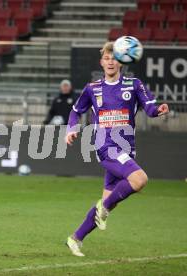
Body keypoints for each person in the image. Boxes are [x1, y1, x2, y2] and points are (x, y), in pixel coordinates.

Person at [64, 42, 169, 257]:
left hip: (126, 149)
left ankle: (75, 238)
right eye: (107, 58)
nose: (111, 61)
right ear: (102, 62)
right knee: (140, 180)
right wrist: (71, 129)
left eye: (114, 57)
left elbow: (149, 108)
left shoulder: (134, 84)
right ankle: (101, 210)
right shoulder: (93, 88)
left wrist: (158, 110)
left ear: (121, 60)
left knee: (109, 201)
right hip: (106, 146)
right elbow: (75, 111)